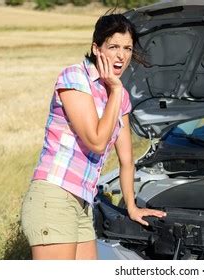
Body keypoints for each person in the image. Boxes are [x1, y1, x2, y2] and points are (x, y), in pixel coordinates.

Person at [21, 12, 166, 260]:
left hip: (83, 203)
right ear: (96, 48)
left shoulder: (120, 98)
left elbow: (127, 159)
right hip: (54, 197)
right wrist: (117, 89)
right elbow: (97, 142)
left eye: (128, 48)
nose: (122, 55)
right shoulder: (75, 78)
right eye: (114, 47)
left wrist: (131, 206)